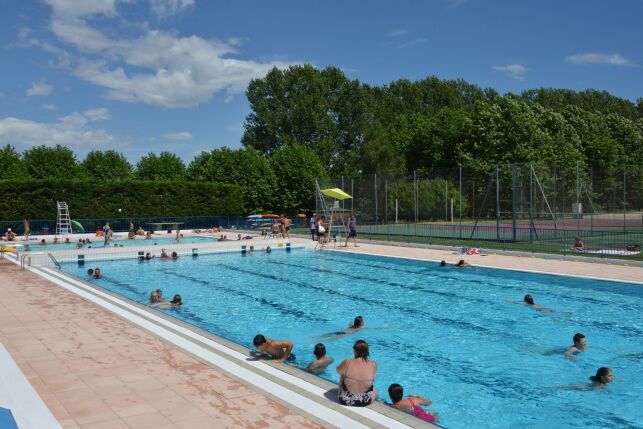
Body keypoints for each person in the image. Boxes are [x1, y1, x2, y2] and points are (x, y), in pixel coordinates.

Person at [336, 340, 377, 406]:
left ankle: (341, 394)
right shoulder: (373, 364)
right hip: (364, 401)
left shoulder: (347, 362)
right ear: (367, 351)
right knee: (375, 391)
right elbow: (374, 377)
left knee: (343, 374)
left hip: (345, 400)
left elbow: (338, 370)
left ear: (354, 350)